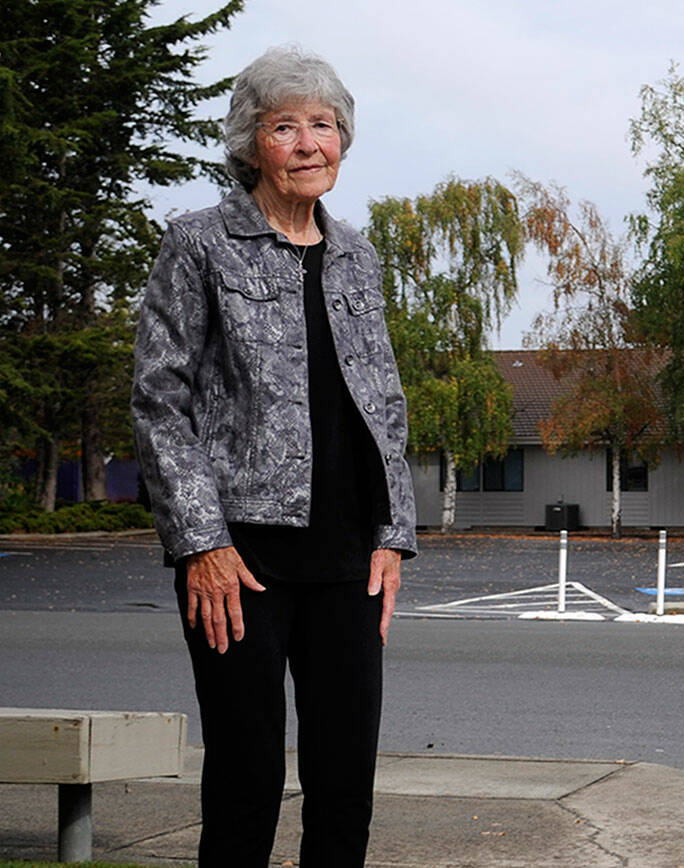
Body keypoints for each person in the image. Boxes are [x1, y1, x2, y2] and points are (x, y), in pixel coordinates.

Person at [131, 45, 416, 867]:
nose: (307, 143)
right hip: (239, 558)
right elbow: (160, 398)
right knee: (245, 780)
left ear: (344, 140)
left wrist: (393, 536)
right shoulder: (199, 244)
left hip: (349, 559)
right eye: (284, 125)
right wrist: (201, 543)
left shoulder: (358, 255)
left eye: (322, 125)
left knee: (344, 785)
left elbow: (384, 404)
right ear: (252, 142)